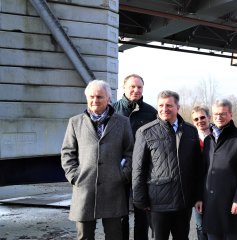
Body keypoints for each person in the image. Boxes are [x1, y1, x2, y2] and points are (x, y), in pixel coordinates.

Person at [61, 80, 134, 240]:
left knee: (115, 235)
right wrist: (74, 176)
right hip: (84, 188)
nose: (95, 101)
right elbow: (67, 153)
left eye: (100, 97)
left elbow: (130, 152)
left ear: (108, 98)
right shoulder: (75, 122)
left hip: (113, 188)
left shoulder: (122, 122)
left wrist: (123, 175)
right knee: (84, 236)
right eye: (91, 97)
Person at [132, 90, 202, 240]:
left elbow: (197, 167)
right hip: (158, 202)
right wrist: (140, 199)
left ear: (178, 107)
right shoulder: (145, 132)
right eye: (161, 105)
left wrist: (198, 196)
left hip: (183, 201)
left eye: (169, 105)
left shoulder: (190, 131)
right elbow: (138, 168)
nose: (164, 109)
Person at [195, 99, 237, 240]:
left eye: (223, 114)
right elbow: (203, 172)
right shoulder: (209, 140)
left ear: (230, 114)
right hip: (210, 204)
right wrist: (199, 198)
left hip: (231, 202)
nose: (219, 117)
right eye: (216, 114)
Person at [112, 74, 157, 240]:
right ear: (124, 87)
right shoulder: (112, 110)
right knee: (120, 214)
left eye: (139, 87)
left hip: (143, 170)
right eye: (132, 86)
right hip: (119, 169)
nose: (136, 90)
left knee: (142, 213)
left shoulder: (151, 112)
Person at [190, 105, 212, 240]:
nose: (200, 121)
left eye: (203, 117)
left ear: (209, 118)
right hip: (197, 190)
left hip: (217, 188)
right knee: (200, 225)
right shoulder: (190, 139)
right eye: (196, 119)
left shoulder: (218, 135)